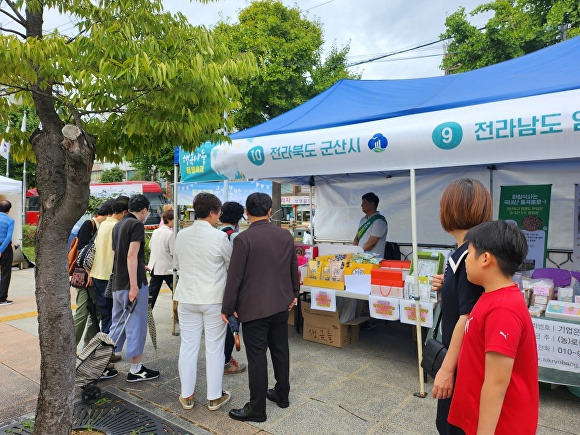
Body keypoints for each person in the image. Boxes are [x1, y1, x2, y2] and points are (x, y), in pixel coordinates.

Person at [448, 220, 538, 434]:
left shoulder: (502, 310)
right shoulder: (491, 296)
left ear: (485, 259)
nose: (466, 261)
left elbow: (496, 385)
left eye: (468, 254)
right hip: (485, 418)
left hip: (501, 425)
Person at [223, 192, 299, 423]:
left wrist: (228, 307)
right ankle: (282, 394)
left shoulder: (243, 239)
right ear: (269, 211)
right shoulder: (285, 235)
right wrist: (294, 294)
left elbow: (235, 277)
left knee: (257, 357)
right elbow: (292, 267)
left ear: (247, 213)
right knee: (280, 349)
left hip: (254, 307)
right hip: (280, 303)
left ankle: (257, 408)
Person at [431, 178, 492, 435]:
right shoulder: (464, 253)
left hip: (463, 365)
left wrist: (447, 369)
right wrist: (447, 286)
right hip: (461, 360)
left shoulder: (471, 256)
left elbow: (467, 317)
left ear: (450, 210)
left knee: (452, 426)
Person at [173, 193, 232, 411]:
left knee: (188, 345)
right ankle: (214, 397)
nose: (218, 217)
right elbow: (231, 264)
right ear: (212, 212)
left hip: (187, 297)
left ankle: (187, 395)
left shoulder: (181, 235)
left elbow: (177, 262)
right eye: (218, 212)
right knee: (214, 347)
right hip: (213, 298)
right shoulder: (219, 237)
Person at [109, 194, 160, 382]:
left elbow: (117, 254)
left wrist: (140, 265)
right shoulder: (137, 225)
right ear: (144, 209)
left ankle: (103, 364)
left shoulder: (118, 225)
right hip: (133, 283)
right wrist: (134, 286)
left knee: (117, 324)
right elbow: (131, 255)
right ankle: (136, 368)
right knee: (136, 325)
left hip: (117, 283)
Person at [73, 200, 111, 348]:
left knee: (96, 315)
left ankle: (89, 347)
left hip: (97, 276)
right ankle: (70, 348)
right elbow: (81, 252)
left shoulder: (104, 226)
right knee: (82, 313)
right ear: (108, 214)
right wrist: (88, 272)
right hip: (86, 277)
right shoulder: (90, 224)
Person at [90, 195, 128, 337]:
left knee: (105, 315)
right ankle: (106, 348)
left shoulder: (104, 224)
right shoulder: (117, 227)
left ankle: (102, 345)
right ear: (124, 212)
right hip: (109, 277)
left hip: (97, 274)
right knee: (113, 316)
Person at [219, 201, 247, 375]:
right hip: (231, 286)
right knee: (232, 325)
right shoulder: (235, 236)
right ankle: (226, 361)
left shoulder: (216, 234)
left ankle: (221, 359)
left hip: (216, 285)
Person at [147, 209, 174, 309]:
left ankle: (147, 316)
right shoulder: (170, 234)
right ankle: (177, 315)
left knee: (151, 295)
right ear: (170, 220)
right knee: (176, 292)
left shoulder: (155, 231)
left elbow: (150, 246)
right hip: (168, 268)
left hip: (155, 266)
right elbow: (173, 252)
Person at [0, 200, 15, 306]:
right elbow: (8, 237)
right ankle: (2, 298)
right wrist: (1, 250)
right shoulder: (10, 221)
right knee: (5, 273)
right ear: (9, 210)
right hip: (5, 248)